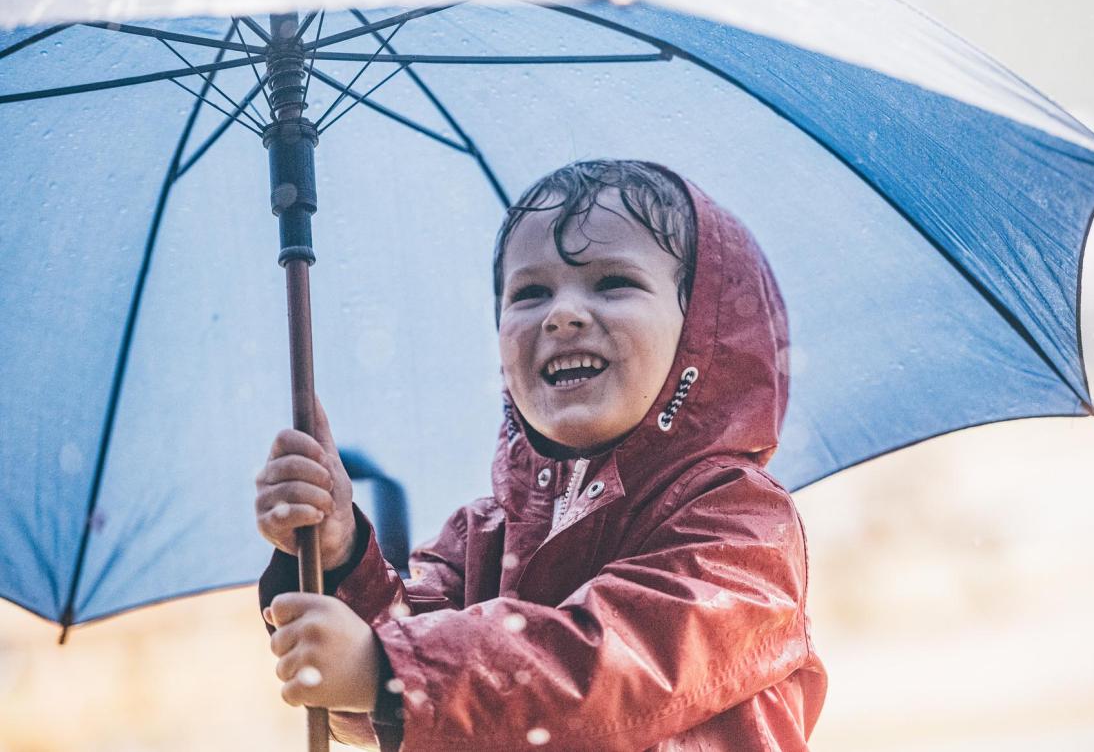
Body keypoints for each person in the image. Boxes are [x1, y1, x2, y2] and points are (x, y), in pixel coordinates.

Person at [255, 160, 827, 750]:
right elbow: (386, 695)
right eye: (530, 293)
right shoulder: (482, 534)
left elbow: (616, 665)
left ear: (698, 332)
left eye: (612, 283)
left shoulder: (740, 523)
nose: (562, 314)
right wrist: (341, 555)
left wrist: (391, 672)